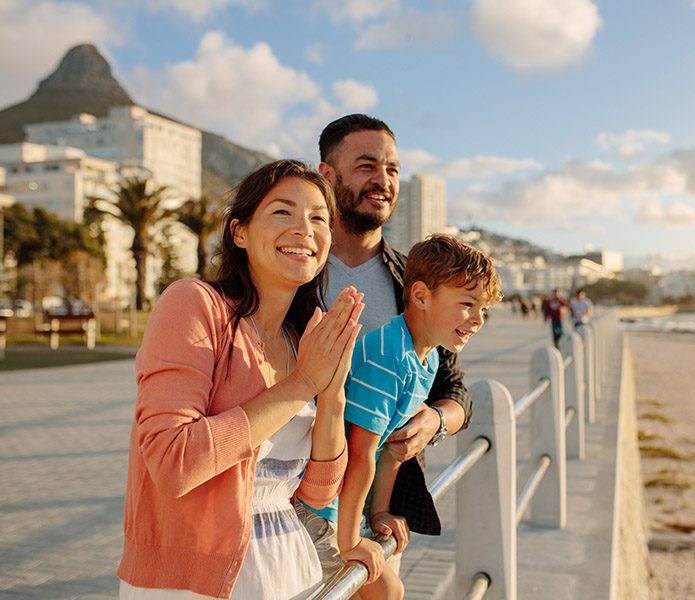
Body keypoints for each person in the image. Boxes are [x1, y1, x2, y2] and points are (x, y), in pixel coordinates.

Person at [117, 160, 365, 600]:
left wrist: (332, 396)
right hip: (194, 581)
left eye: (318, 218)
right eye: (283, 212)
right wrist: (303, 384)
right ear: (240, 233)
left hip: (289, 566)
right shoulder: (194, 305)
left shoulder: (302, 336)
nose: (304, 229)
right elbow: (174, 465)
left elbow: (315, 492)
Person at [294, 114, 473, 585]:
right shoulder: (291, 269)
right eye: (367, 166)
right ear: (327, 178)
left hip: (379, 513)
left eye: (392, 169)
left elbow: (454, 389)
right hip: (285, 499)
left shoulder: (412, 280)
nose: (383, 181)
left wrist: (433, 422)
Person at [303, 234, 502, 598]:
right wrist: (350, 540)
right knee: (387, 592)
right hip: (319, 504)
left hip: (349, 505)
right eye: (468, 304)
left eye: (483, 310)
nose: (477, 320)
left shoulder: (428, 358)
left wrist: (379, 513)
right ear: (422, 296)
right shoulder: (388, 356)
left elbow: (393, 448)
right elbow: (361, 450)